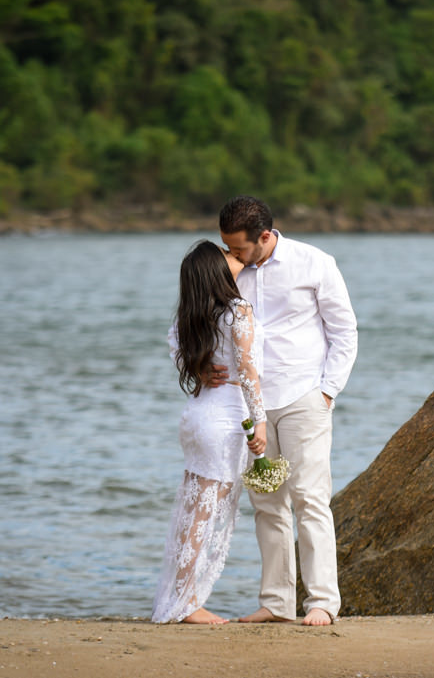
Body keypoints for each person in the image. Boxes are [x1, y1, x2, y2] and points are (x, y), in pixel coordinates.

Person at [215, 195, 358, 627]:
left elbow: (344, 330)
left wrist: (327, 392)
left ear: (264, 236)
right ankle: (277, 602)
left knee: (310, 498)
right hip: (249, 404)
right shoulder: (229, 270)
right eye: (227, 247)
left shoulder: (315, 263)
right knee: (267, 504)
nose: (231, 255)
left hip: (302, 398)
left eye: (238, 248)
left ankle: (322, 602)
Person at [150, 241, 268, 625]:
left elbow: (173, 342)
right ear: (217, 272)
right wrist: (260, 420)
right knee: (205, 513)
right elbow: (249, 372)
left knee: (192, 509)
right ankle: (187, 605)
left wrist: (196, 367)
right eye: (230, 257)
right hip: (225, 416)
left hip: (198, 414)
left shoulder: (194, 313)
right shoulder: (237, 310)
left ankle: (180, 598)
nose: (238, 259)